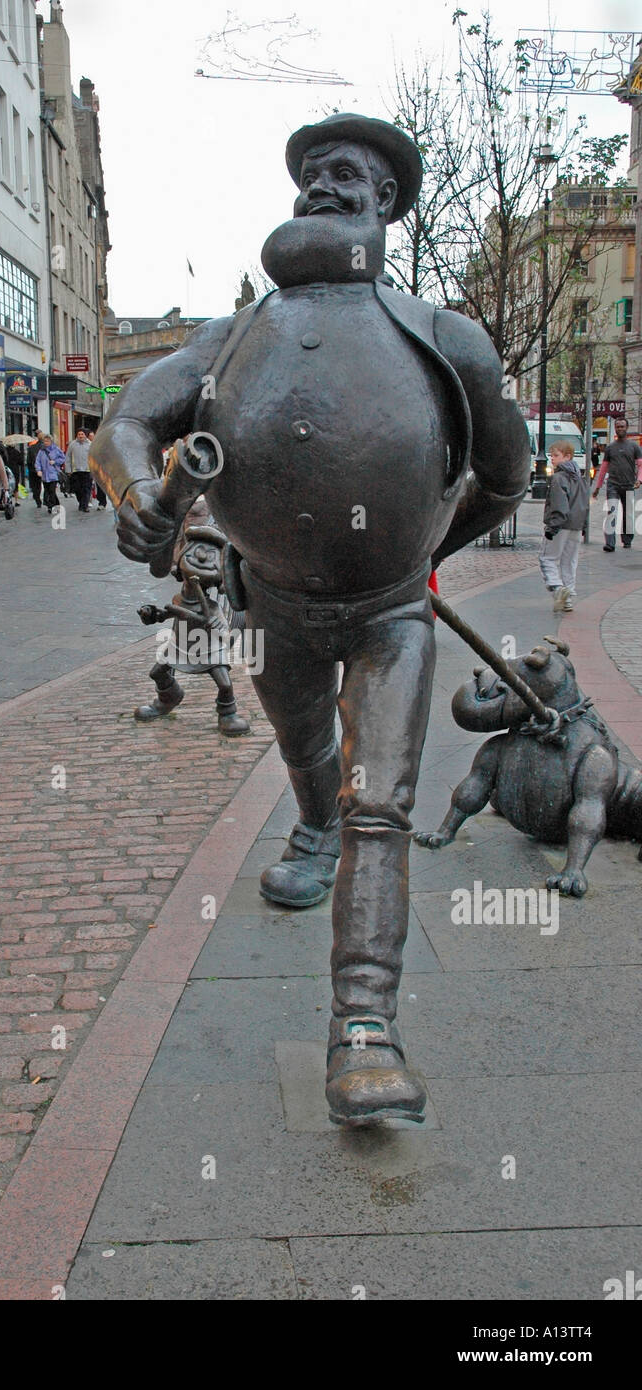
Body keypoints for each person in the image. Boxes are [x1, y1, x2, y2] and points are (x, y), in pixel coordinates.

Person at [89, 112, 529, 1126]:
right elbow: (127, 421)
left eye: (349, 176)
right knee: (305, 755)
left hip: (388, 619)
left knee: (383, 800)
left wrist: (426, 553)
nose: (323, 188)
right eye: (312, 174)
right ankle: (315, 825)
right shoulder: (234, 334)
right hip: (274, 605)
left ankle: (365, 1026)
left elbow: (506, 475)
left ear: (385, 204)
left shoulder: (443, 338)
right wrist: (133, 496)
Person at [539, 440, 586, 613]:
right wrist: (584, 524)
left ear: (567, 456)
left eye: (555, 455)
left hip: (560, 525)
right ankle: (568, 597)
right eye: (551, 455)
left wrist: (552, 527)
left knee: (547, 558)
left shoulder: (559, 478)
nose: (552, 458)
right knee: (569, 561)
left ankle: (557, 588)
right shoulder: (579, 477)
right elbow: (583, 503)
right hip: (576, 525)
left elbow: (560, 505)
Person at [592, 419, 642, 552]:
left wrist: (639, 479)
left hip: (628, 485)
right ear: (615, 428)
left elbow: (640, 465)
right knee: (611, 513)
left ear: (627, 427)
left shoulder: (634, 447)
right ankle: (610, 543)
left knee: (628, 514)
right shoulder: (610, 448)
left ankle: (627, 540)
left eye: (622, 426)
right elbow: (603, 468)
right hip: (613, 485)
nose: (620, 428)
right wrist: (598, 487)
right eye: (618, 426)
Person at [35, 434, 65, 513]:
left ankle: (50, 506)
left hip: (53, 474)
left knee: (52, 490)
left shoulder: (56, 449)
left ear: (51, 441)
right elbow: (37, 461)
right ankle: (56, 504)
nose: (46, 442)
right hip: (44, 474)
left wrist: (55, 462)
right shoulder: (41, 451)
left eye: (47, 441)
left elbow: (62, 458)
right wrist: (38, 470)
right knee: (47, 490)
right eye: (45, 441)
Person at [66, 428, 93, 512]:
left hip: (87, 470)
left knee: (86, 489)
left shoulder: (90, 444)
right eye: (79, 434)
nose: (80, 436)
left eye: (82, 434)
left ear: (85, 435)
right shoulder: (72, 444)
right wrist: (68, 469)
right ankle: (81, 502)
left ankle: (84, 506)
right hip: (76, 470)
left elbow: (94, 458)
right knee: (77, 489)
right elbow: (68, 457)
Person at [87, 431, 106, 508]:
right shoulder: (87, 445)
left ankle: (102, 502)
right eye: (89, 436)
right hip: (88, 468)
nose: (91, 438)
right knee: (89, 485)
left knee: (100, 486)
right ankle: (88, 501)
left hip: (99, 469)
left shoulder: (100, 445)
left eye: (92, 436)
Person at [27, 429, 44, 508]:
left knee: (36, 485)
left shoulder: (31, 447)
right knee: (45, 485)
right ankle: (44, 499)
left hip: (34, 469)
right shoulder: (46, 447)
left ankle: (37, 499)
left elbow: (29, 460)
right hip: (44, 469)